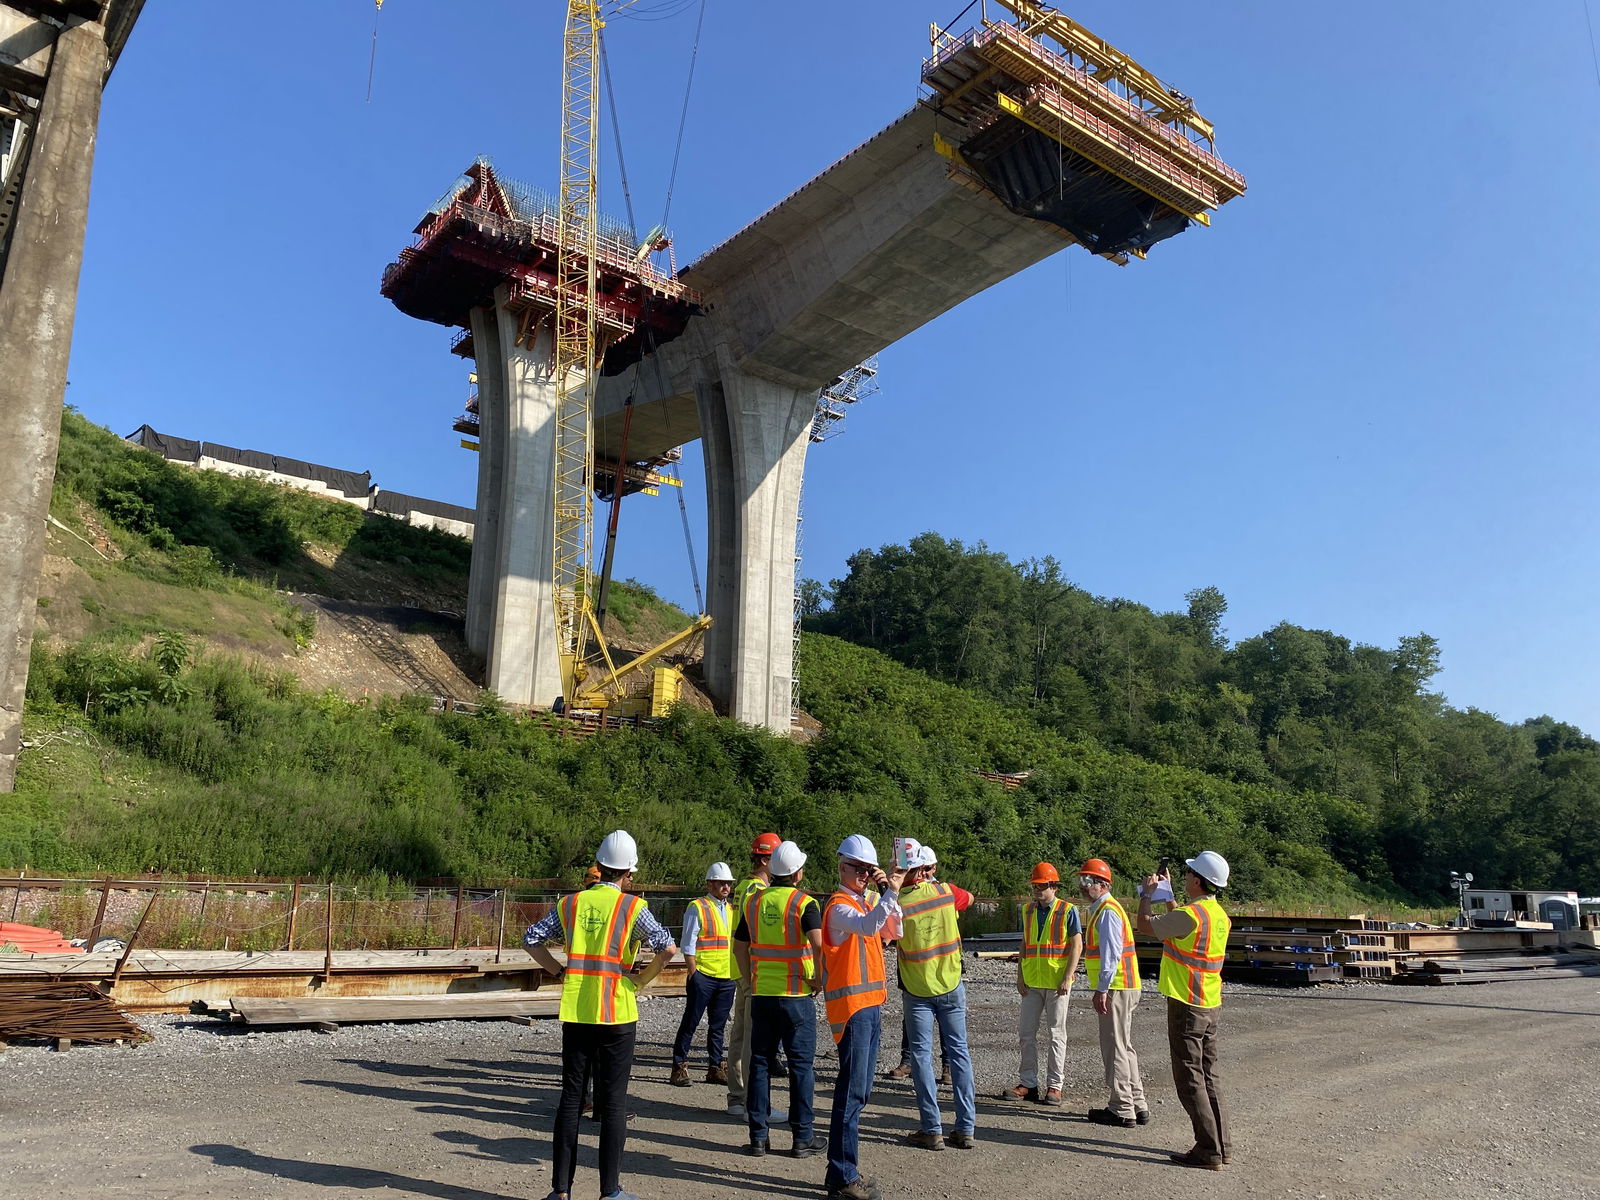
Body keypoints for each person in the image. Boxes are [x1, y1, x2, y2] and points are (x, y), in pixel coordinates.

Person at [523, 831, 677, 1200]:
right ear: (628, 873)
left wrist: (559, 972)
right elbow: (668, 948)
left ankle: (560, 1191)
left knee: (571, 1101)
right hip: (617, 1012)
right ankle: (610, 1191)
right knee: (614, 1103)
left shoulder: (570, 904)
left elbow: (531, 939)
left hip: (577, 1009)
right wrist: (640, 979)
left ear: (600, 866)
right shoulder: (632, 908)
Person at [1137, 850, 1233, 1171]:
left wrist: (1148, 895)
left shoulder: (1191, 915)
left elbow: (1145, 927)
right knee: (1209, 1075)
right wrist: (1169, 900)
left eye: (1190, 872)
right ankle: (1222, 1145)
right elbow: (1181, 928)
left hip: (1186, 1003)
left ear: (1195, 880)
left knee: (1189, 1077)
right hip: (1209, 1003)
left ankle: (1208, 1150)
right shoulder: (1215, 914)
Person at [823, 834, 906, 1200]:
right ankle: (842, 1177)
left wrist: (889, 890)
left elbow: (894, 928)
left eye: (867, 870)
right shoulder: (839, 907)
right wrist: (887, 893)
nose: (863, 875)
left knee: (861, 1092)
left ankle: (842, 1172)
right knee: (852, 1093)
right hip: (853, 1010)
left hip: (870, 1006)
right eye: (858, 869)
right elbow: (872, 925)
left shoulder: (865, 900)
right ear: (842, 868)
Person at [732, 840, 826, 1160]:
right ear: (797, 873)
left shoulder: (754, 903)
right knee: (801, 1067)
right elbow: (818, 944)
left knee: (759, 1064)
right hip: (796, 996)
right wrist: (819, 978)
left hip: (763, 995)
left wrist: (749, 979)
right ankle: (803, 1138)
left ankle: (758, 1138)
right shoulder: (805, 903)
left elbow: (739, 948)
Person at [896, 844, 977, 1151]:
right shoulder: (946, 892)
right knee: (959, 1053)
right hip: (951, 983)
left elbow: (883, 932)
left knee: (920, 1057)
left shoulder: (899, 903)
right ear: (926, 869)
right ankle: (965, 1127)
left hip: (918, 991)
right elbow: (968, 899)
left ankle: (932, 1129)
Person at [885, 847, 968, 1086]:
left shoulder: (936, 892)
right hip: (929, 976)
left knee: (941, 1035)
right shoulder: (943, 892)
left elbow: (884, 935)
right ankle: (911, 1062)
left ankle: (945, 1068)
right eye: (926, 868)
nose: (929, 872)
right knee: (940, 1037)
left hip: (936, 978)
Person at [1002, 861, 1082, 1106]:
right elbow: (1025, 944)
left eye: (1042, 885)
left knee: (1056, 1034)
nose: (1037, 890)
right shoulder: (1028, 911)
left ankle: (1055, 1086)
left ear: (1054, 886)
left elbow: (1077, 944)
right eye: (1035, 885)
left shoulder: (1067, 910)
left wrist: (1068, 976)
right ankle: (1028, 1083)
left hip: (1057, 983)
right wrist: (1019, 976)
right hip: (1033, 982)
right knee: (1026, 1033)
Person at [1077, 857, 1149, 1129]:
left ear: (1103, 884)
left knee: (1115, 1048)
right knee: (1124, 1047)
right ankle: (1137, 1104)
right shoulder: (1106, 908)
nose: (1083, 886)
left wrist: (1101, 990)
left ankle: (1121, 1108)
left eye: (1088, 881)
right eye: (1082, 881)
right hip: (1124, 985)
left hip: (1117, 987)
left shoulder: (1106, 910)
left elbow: (1110, 955)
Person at [727, 832, 782, 1118]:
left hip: (739, 969)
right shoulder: (756, 891)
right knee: (752, 1038)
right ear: (764, 859)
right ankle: (752, 1102)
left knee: (740, 1035)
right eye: (776, 858)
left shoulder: (744, 886)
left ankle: (737, 1097)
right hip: (751, 971)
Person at [670, 861, 739, 1088]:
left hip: (726, 977)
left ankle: (715, 1066)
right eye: (721, 883)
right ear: (710, 884)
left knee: (717, 1027)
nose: (726, 887)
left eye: (728, 883)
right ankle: (679, 1066)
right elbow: (687, 943)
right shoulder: (697, 907)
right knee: (691, 1022)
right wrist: (693, 971)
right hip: (704, 976)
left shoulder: (731, 910)